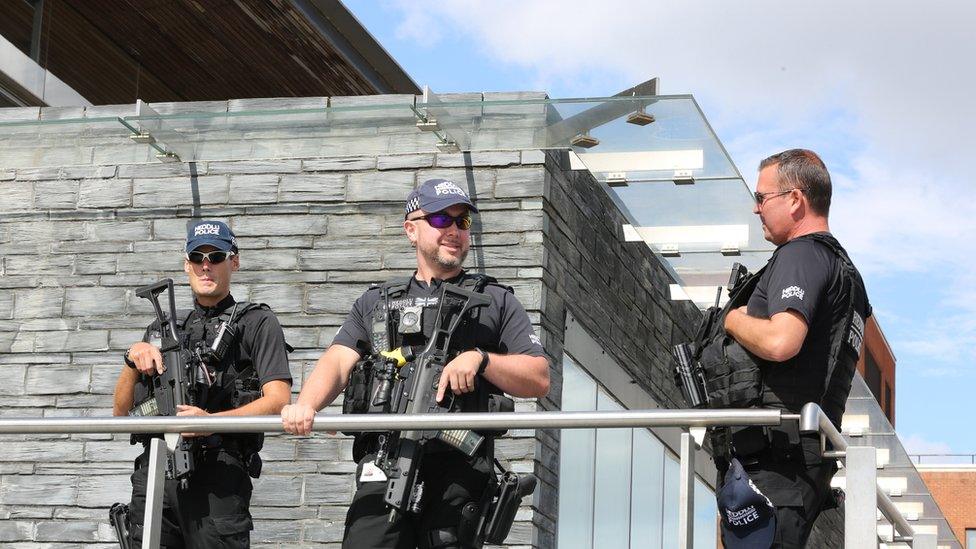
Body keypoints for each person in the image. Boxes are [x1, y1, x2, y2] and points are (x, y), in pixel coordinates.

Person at [281, 178, 550, 549]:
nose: (454, 231)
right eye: (441, 220)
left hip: (459, 470)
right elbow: (339, 361)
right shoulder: (377, 302)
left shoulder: (495, 300)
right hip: (386, 458)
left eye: (463, 222)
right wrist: (305, 405)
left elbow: (538, 378)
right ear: (411, 229)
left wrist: (481, 360)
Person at [719, 149, 871, 548]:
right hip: (797, 468)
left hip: (773, 466)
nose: (756, 209)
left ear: (795, 199)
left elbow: (781, 342)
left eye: (762, 198)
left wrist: (731, 318)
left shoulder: (800, 255)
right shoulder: (846, 271)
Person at [112, 220, 292, 548]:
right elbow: (121, 414)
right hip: (155, 471)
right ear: (187, 265)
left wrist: (211, 423)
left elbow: (279, 399)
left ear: (233, 261)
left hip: (218, 475)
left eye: (216, 256)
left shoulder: (257, 322)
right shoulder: (162, 329)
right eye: (197, 257)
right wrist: (130, 359)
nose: (206, 265)